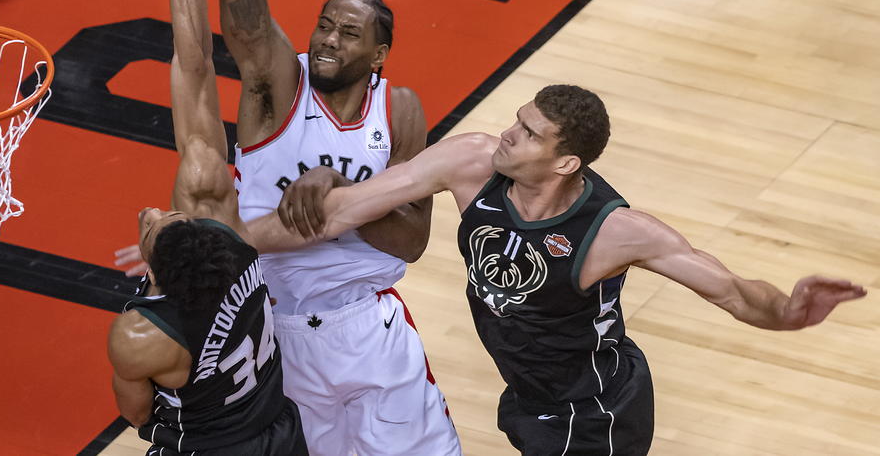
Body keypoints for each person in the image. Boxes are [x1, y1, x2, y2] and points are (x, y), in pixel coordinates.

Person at [266, 84, 868, 455]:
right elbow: (344, 210)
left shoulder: (616, 231)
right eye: (517, 119)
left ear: (565, 162)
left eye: (529, 134)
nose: (509, 134)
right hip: (533, 394)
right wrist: (229, 237)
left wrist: (788, 312)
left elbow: (733, 292)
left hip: (595, 412)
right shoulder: (475, 162)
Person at [114, 0, 462, 455]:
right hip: (275, 326)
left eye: (348, 33)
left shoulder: (399, 109)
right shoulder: (277, 86)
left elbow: (410, 242)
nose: (328, 40)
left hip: (366, 319)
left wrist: (337, 188)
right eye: (324, 24)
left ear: (378, 55)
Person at [107, 0, 307, 455]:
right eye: (167, 220)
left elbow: (137, 413)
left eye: (156, 224)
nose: (153, 211)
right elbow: (191, 66)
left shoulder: (141, 334)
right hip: (277, 432)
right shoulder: (228, 240)